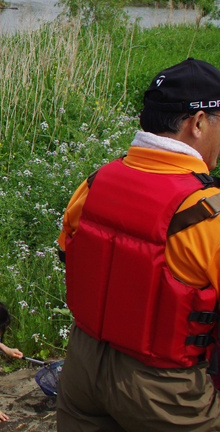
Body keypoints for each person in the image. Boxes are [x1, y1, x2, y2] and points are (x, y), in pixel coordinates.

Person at [57, 58, 220, 430]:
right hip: (163, 387)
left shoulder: (95, 183)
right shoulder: (208, 213)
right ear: (197, 123)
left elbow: (69, 255)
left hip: (82, 366)